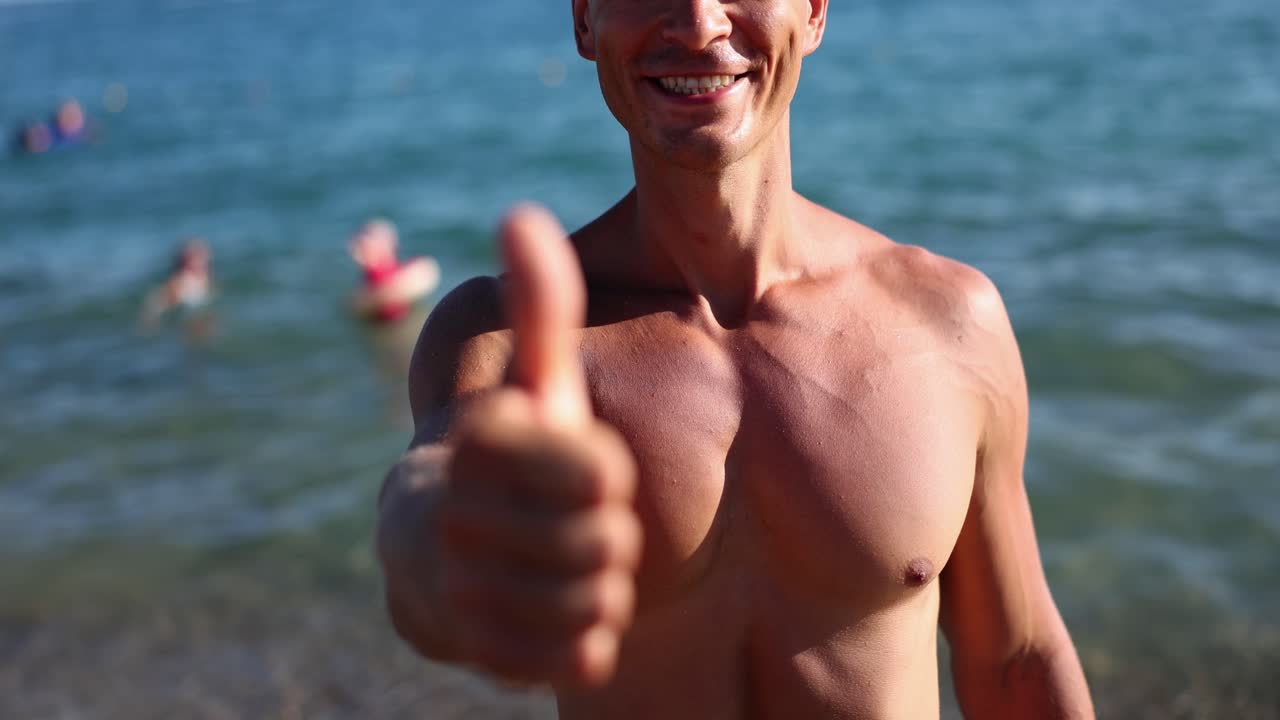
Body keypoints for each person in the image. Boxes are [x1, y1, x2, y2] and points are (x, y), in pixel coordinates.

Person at [376, 1, 1095, 718]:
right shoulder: (500, 339)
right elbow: (430, 507)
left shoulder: (946, 321)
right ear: (585, 21)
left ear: (813, 13)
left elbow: (1015, 658)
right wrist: (445, 548)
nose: (697, 22)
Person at [348, 219, 441, 324]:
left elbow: (427, 269)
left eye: (367, 239)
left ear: (389, 244)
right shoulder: (366, 278)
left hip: (402, 325)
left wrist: (374, 297)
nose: (358, 244)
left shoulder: (402, 271)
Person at [140, 237, 213, 326]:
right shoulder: (180, 281)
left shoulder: (203, 278)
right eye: (198, 254)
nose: (204, 258)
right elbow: (158, 303)